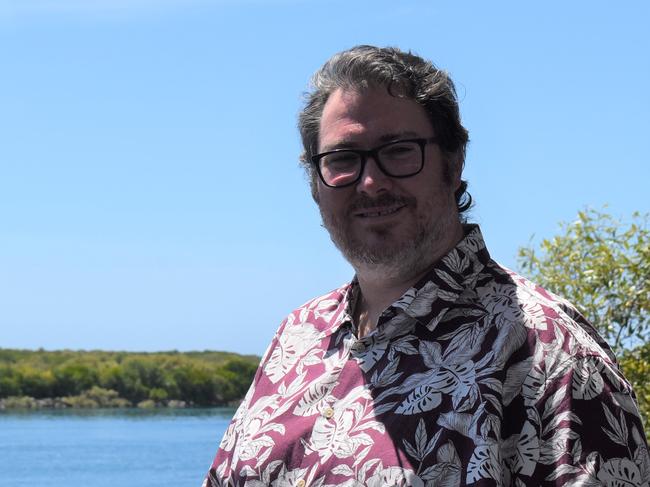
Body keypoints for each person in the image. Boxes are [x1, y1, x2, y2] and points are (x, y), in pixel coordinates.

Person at [203, 46, 649, 486]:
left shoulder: (551, 355)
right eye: (343, 159)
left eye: (398, 151)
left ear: (453, 164)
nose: (371, 182)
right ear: (316, 185)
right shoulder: (296, 336)